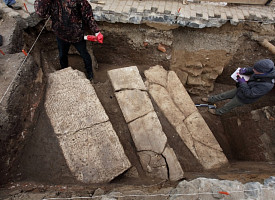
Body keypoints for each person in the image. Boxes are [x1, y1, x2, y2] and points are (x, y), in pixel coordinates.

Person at [34, 0, 101, 81]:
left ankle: (90, 74)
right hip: (61, 35)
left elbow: (88, 14)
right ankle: (64, 73)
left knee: (84, 54)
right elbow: (41, 13)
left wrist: (96, 31)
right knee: (62, 55)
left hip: (77, 35)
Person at [202, 59, 275, 115]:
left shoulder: (266, 85)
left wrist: (242, 83)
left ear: (263, 72)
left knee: (228, 105)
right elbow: (253, 69)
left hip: (244, 98)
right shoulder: (264, 70)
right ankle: (210, 99)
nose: (253, 70)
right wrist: (245, 70)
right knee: (224, 95)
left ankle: (218, 112)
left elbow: (250, 94)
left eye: (256, 70)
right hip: (241, 89)